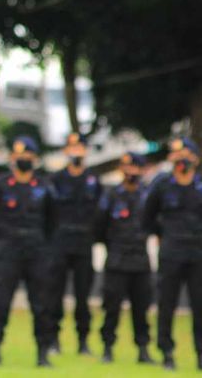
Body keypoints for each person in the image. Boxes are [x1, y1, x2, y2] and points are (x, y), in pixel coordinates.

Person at [0, 136, 55, 367]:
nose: (23, 159)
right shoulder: (0, 186)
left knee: (41, 304)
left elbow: (53, 223)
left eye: (27, 155)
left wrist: (42, 245)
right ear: (12, 158)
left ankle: (43, 352)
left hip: (36, 253)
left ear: (34, 158)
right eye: (18, 155)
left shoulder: (45, 188)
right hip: (7, 251)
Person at [144, 137, 202, 371]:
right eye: (176, 154)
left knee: (199, 307)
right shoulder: (162, 185)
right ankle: (166, 352)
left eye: (185, 154)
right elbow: (147, 217)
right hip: (171, 253)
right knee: (167, 305)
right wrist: (163, 235)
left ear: (195, 159)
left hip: (198, 254)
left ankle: (200, 354)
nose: (181, 159)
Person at [95, 152, 154, 364]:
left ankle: (143, 349)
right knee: (112, 307)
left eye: (133, 167)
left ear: (141, 169)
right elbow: (99, 227)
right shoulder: (111, 195)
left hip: (140, 260)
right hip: (117, 259)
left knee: (141, 308)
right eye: (125, 167)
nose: (129, 172)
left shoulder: (148, 195)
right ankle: (108, 347)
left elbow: (156, 222)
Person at [47, 132, 102, 355]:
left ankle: (83, 341)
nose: (76, 152)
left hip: (83, 243)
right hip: (60, 242)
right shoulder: (56, 179)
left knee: (83, 295)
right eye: (72, 148)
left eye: (80, 148)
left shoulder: (93, 180)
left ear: (86, 151)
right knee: (55, 293)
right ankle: (53, 339)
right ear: (65, 151)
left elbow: (100, 213)